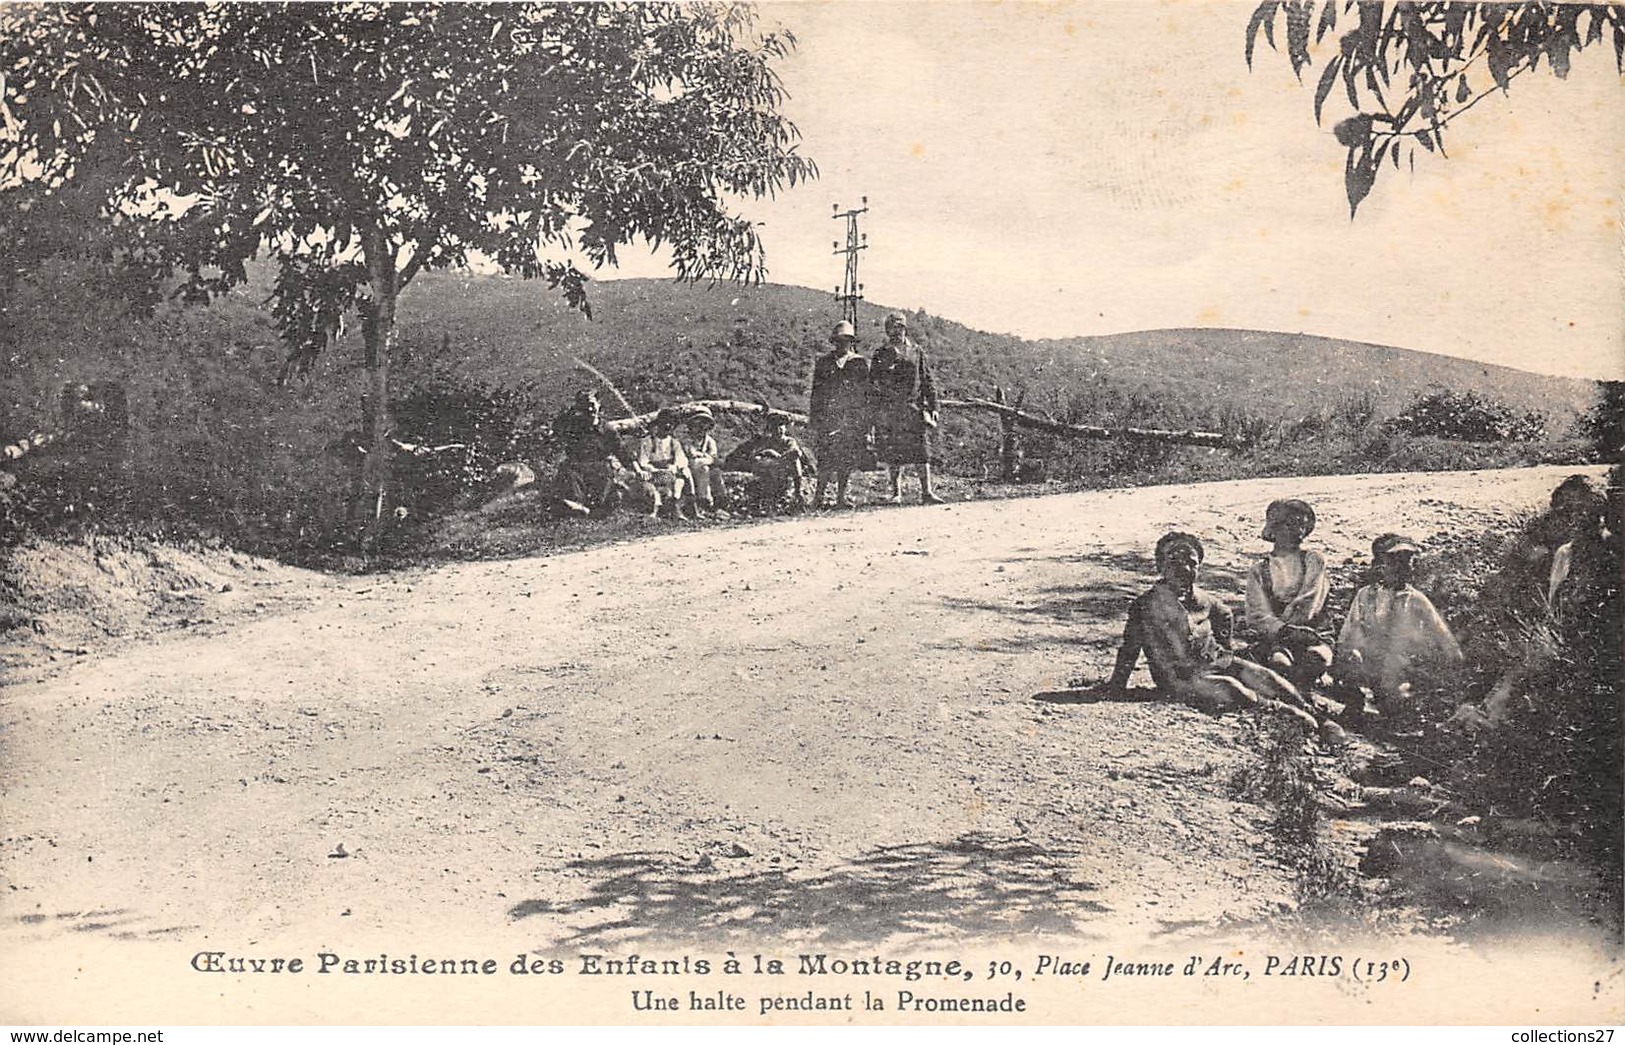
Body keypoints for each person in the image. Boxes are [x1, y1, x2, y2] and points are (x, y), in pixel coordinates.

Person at [1100, 531, 1320, 730]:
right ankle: (1282, 712)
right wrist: (1117, 685)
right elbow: (1129, 649)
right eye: (1173, 562)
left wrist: (1226, 653)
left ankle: (1314, 712)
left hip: (1214, 662)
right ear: (1160, 566)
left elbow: (1224, 617)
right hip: (1179, 678)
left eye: (1191, 563)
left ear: (1199, 566)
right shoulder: (1145, 605)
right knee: (1232, 687)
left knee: (1265, 676)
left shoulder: (1207, 601)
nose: (1184, 569)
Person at [1333, 534, 1464, 721]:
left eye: (1407, 563)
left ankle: (1395, 705)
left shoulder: (1415, 599)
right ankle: (1356, 702)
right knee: (1348, 660)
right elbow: (1349, 631)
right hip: (1371, 660)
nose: (1403, 568)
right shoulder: (1366, 595)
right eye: (1395, 562)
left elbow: (1444, 639)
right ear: (1381, 565)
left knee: (1393, 705)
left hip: (1401, 667)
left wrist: (1445, 669)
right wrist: (1347, 655)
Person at [1244, 498, 1333, 694]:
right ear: (1274, 528)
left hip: (1312, 634)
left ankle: (1310, 696)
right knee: (1280, 664)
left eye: (1303, 525)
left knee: (1316, 659)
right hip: (1278, 638)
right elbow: (1257, 613)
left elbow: (1310, 600)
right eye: (1291, 524)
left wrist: (1298, 630)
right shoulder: (1260, 570)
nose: (1298, 531)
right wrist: (1283, 630)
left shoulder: (1313, 560)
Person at [869, 312, 943, 505]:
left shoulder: (916, 351)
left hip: (913, 408)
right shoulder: (881, 353)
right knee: (894, 453)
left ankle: (927, 492)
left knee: (921, 451)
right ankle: (896, 493)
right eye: (892, 328)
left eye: (900, 327)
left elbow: (927, 380)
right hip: (891, 409)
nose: (896, 331)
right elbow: (872, 382)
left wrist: (933, 405)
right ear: (887, 330)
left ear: (905, 329)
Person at [809, 320, 874, 508]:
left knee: (846, 458)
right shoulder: (824, 363)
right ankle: (818, 497)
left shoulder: (860, 364)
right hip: (828, 418)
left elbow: (866, 395)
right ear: (834, 341)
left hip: (850, 419)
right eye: (839, 340)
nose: (842, 344)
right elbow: (817, 392)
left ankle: (840, 497)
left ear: (851, 342)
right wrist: (815, 419)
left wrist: (865, 423)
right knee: (825, 458)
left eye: (846, 340)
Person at [551, 390, 631, 518]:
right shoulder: (574, 426)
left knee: (602, 485)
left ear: (599, 404)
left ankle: (594, 510)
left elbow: (621, 450)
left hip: (600, 467)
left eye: (592, 404)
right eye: (585, 405)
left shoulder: (606, 428)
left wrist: (635, 468)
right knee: (569, 475)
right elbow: (558, 432)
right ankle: (577, 508)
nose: (590, 409)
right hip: (577, 466)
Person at [724, 413, 812, 513]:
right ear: (771, 428)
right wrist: (769, 453)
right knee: (764, 463)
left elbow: (795, 452)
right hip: (770, 467)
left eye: (781, 426)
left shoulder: (789, 441)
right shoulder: (767, 441)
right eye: (775, 427)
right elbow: (757, 454)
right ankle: (770, 501)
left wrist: (776, 454)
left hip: (784, 466)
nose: (778, 429)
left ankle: (798, 492)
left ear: (785, 428)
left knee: (795, 459)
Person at [636, 409, 693, 519]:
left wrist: (676, 466)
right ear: (658, 424)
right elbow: (643, 461)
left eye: (670, 424)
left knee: (682, 477)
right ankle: (655, 509)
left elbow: (681, 459)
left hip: (670, 473)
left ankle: (679, 506)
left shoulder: (674, 442)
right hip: (654, 473)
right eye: (664, 423)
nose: (667, 426)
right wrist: (653, 469)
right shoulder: (648, 441)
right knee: (649, 486)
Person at [681, 408, 730, 517]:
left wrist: (701, 456)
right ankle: (704, 501)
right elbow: (689, 454)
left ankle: (721, 501)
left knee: (714, 472)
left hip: (704, 466)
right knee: (702, 467)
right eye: (697, 424)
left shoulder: (710, 441)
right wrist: (703, 456)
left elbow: (713, 457)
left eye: (704, 425)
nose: (700, 428)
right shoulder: (686, 439)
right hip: (688, 466)